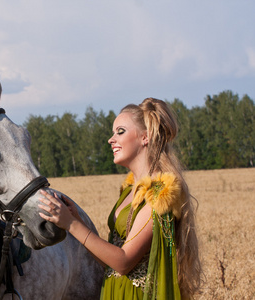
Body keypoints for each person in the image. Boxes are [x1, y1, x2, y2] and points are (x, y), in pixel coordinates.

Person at [39, 98, 202, 299]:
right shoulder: (129, 190)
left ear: (146, 137)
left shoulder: (159, 194)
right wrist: (77, 220)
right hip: (115, 292)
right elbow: (110, 260)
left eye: (120, 131)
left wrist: (71, 224)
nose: (111, 139)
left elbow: (123, 262)